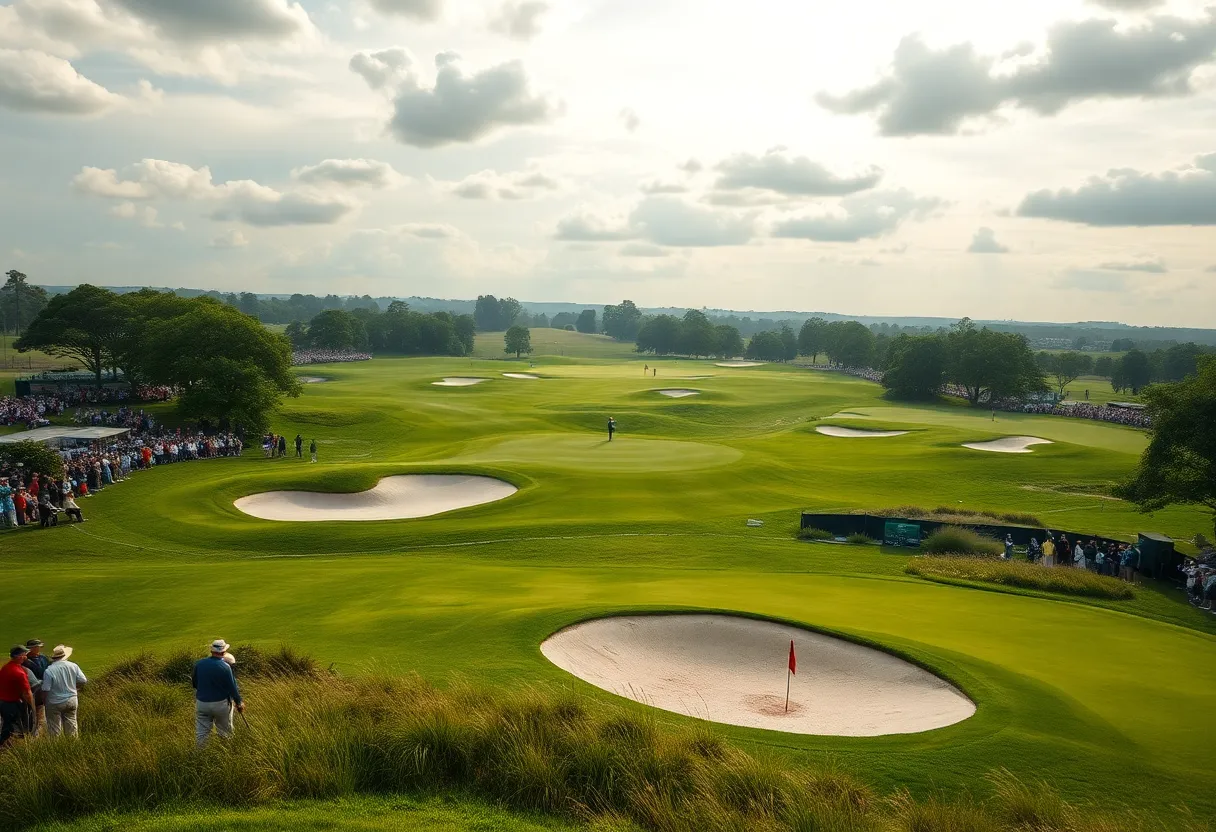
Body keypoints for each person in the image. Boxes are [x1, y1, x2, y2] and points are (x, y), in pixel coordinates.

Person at [191, 639, 244, 746]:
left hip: (202, 703)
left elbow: (195, 683)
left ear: (211, 651)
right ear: (224, 652)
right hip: (221, 704)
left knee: (201, 734)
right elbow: (232, 687)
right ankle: (225, 756)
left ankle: (199, 758)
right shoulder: (225, 667)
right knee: (225, 733)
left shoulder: (199, 664)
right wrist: (239, 702)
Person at [42, 645, 86, 738]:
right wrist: (75, 687)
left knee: (54, 729)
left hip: (54, 701)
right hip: (72, 699)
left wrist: (44, 702)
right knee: (72, 726)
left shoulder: (49, 670)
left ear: (54, 658)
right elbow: (83, 680)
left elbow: (46, 689)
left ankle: (56, 749)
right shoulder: (73, 666)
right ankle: (72, 747)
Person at [0, 646, 34, 748]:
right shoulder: (19, 672)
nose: (26, 657)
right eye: (24, 654)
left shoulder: (6, 667)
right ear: (19, 656)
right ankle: (8, 748)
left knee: (7, 726)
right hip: (11, 703)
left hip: (3, 701)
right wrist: (32, 706)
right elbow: (27, 693)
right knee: (14, 728)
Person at [23, 640, 48, 736]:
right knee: (32, 711)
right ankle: (32, 731)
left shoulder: (43, 658)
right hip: (32, 689)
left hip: (43, 687)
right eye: (36, 647)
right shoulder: (25, 661)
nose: (38, 648)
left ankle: (37, 732)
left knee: (40, 711)